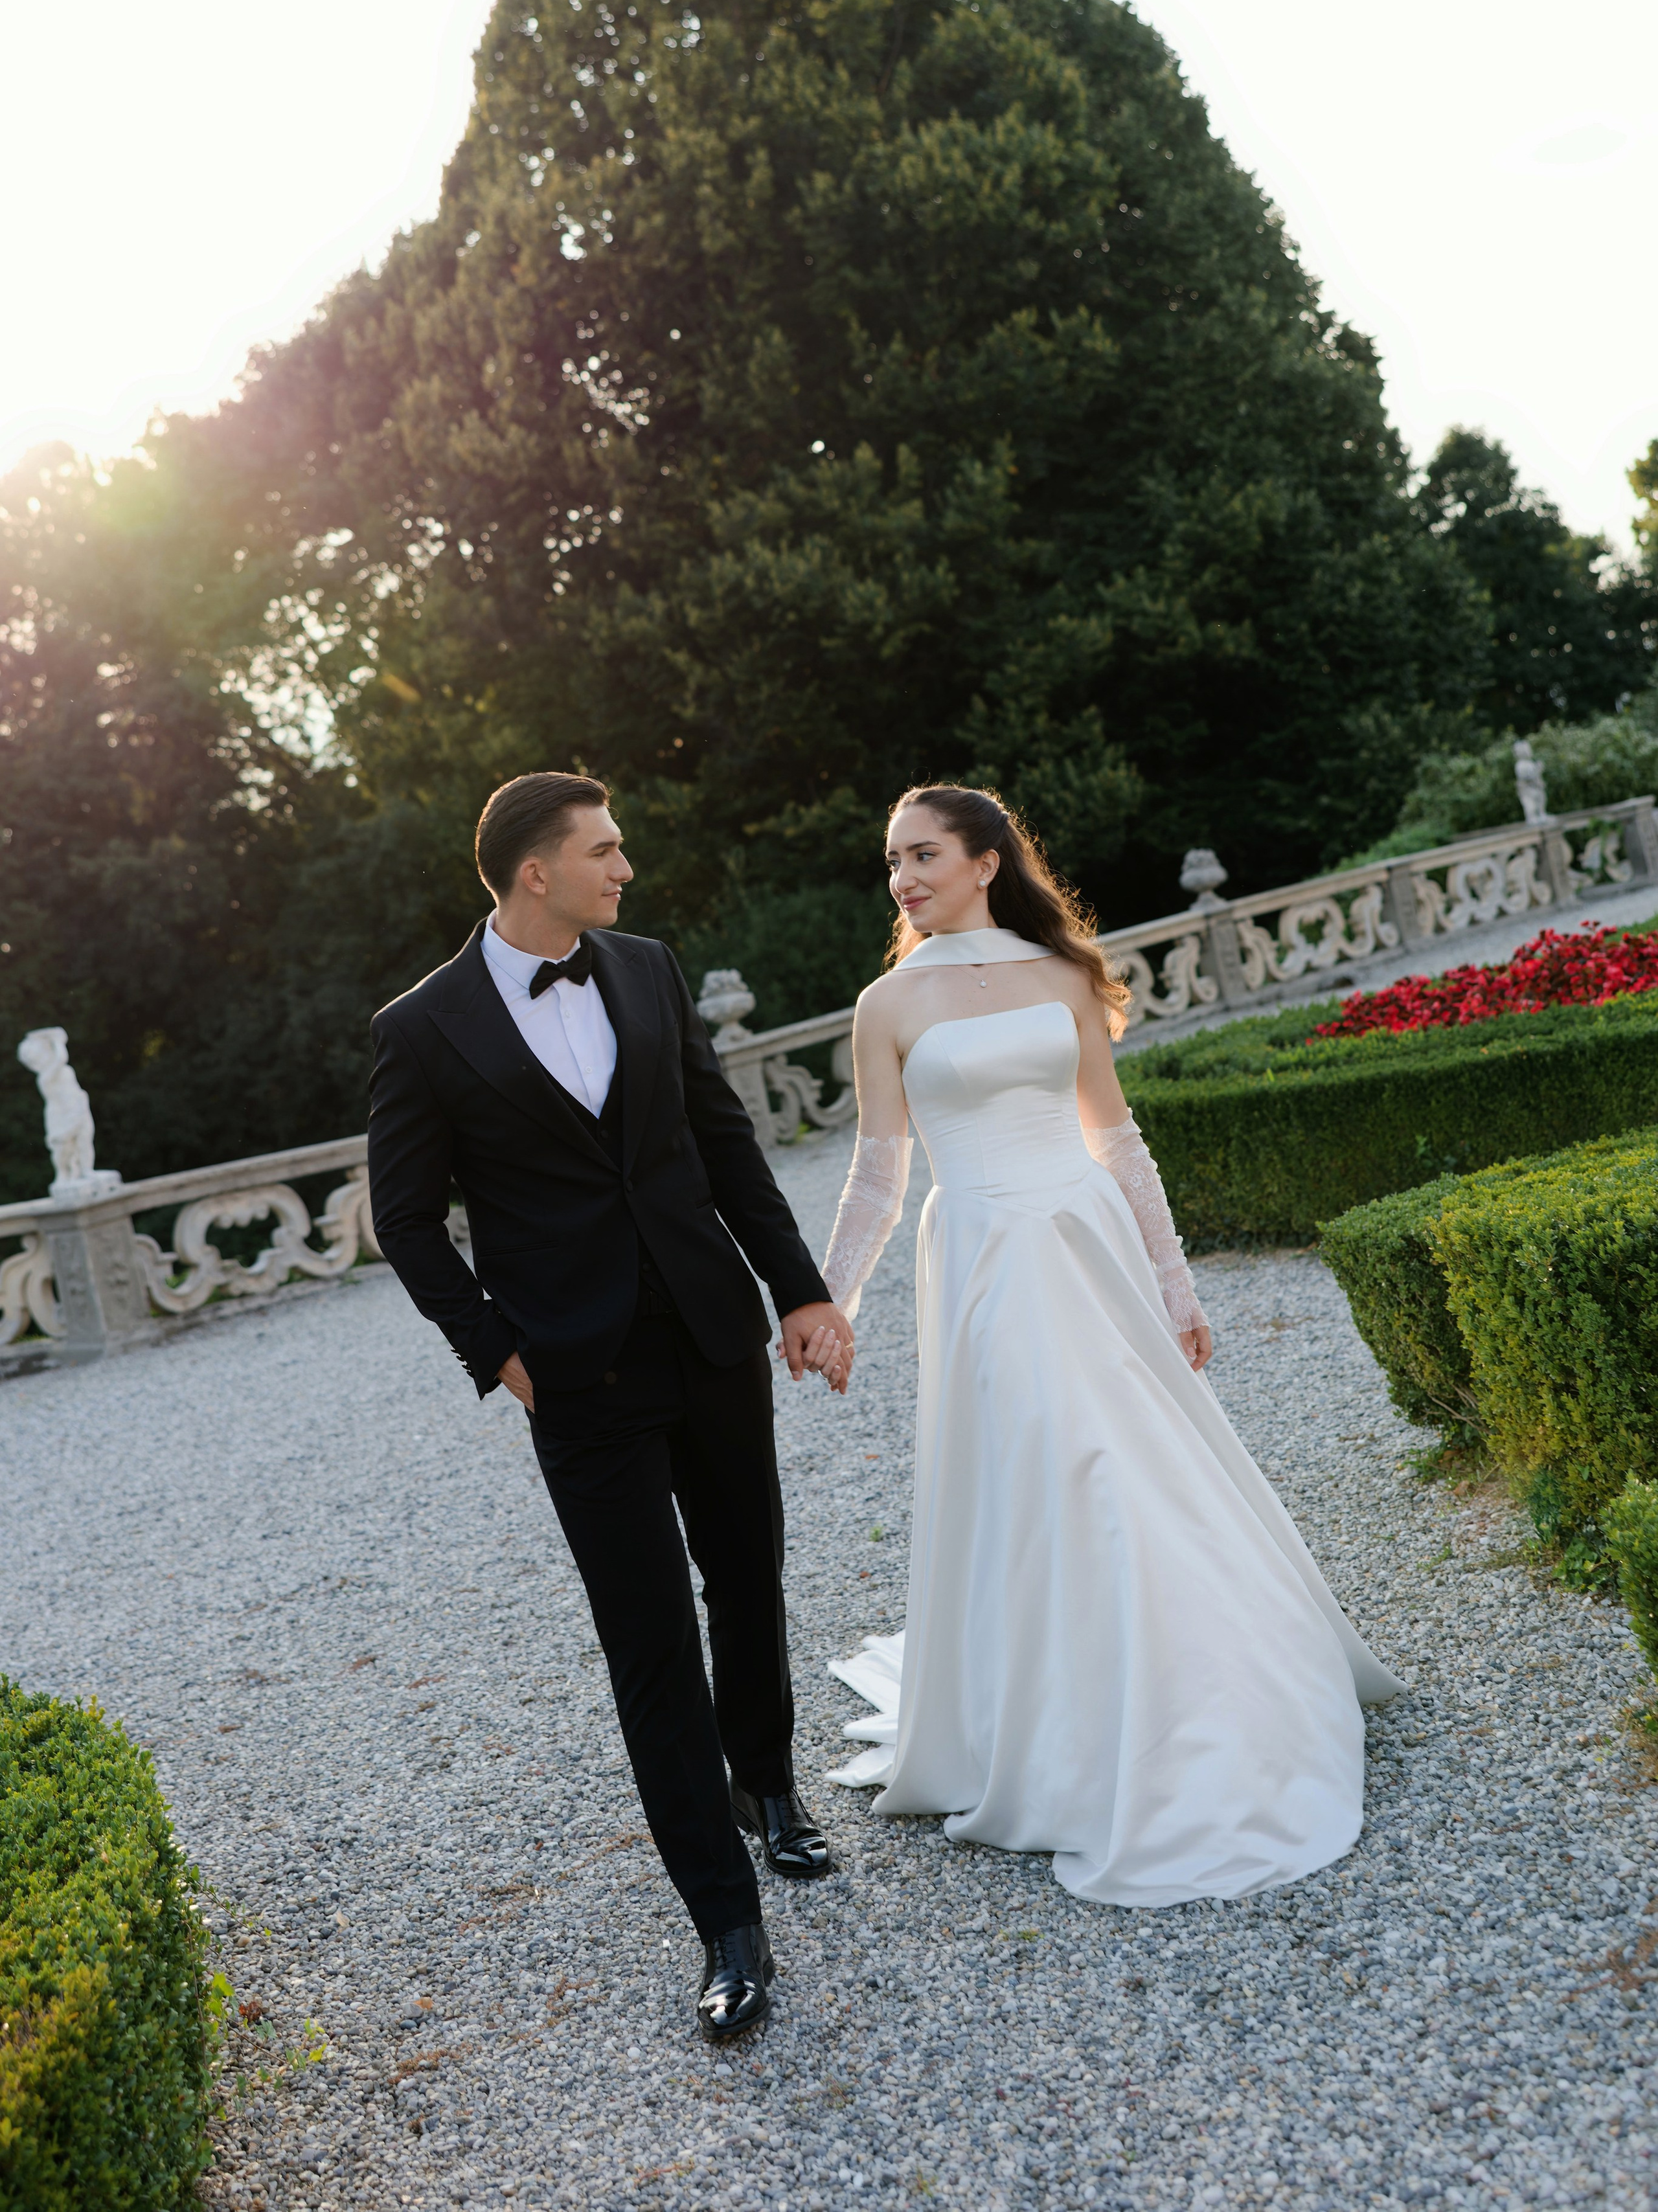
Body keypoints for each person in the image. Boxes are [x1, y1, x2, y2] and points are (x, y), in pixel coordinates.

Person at [820, 784, 1402, 1906]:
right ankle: (1070, 1716)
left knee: (1133, 1458)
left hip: (1088, 1240)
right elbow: (879, 1177)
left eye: (924, 853)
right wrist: (830, 1299)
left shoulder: (1064, 976)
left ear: (987, 859)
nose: (903, 877)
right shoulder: (886, 1005)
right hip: (986, 1258)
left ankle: (1208, 1680)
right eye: (892, 861)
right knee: (1052, 1462)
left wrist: (1176, 1284)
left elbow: (1119, 1141)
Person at [367, 771, 855, 2040]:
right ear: (537, 870)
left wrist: (796, 1292)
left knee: (746, 1575)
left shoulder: (644, 968)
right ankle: (724, 1920)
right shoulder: (420, 1030)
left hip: (708, 1333)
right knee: (647, 1644)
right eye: (604, 850)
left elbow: (721, 1139)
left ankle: (769, 1784)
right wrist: (497, 1355)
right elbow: (408, 1223)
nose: (624, 867)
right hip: (574, 1377)